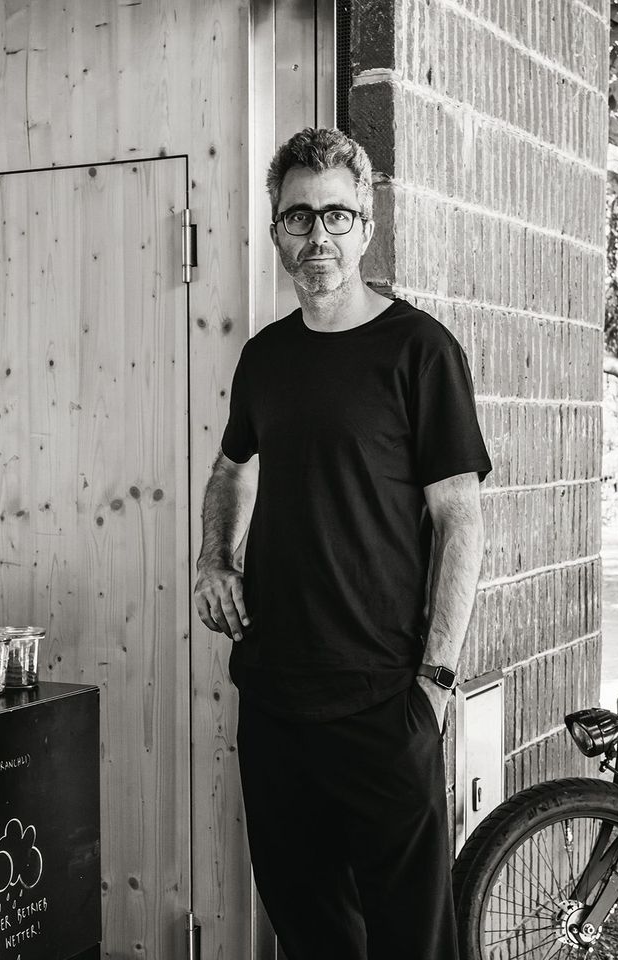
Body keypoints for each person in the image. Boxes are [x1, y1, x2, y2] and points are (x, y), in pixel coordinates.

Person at [193, 127, 491, 960]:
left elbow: (460, 520)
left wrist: (434, 680)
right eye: (297, 217)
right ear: (275, 226)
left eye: (335, 216)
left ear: (366, 224)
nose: (315, 237)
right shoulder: (265, 357)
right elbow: (230, 469)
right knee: (310, 927)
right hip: (276, 694)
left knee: (409, 937)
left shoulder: (419, 352)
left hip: (384, 698)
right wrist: (215, 556)